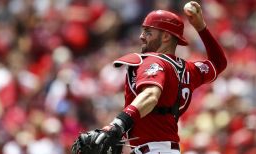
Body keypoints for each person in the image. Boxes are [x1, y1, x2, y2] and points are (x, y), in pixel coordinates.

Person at [95, 2, 227, 154]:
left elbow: (151, 95)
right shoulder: (189, 69)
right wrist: (201, 27)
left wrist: (118, 123)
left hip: (152, 150)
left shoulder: (152, 60)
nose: (141, 36)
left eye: (148, 32)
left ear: (165, 36)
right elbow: (218, 63)